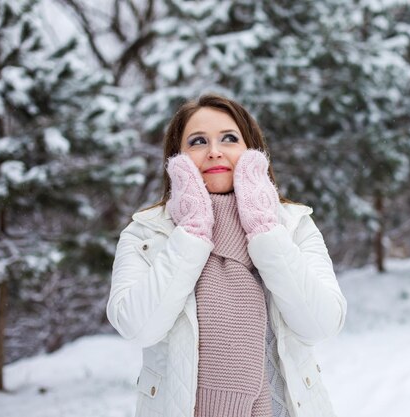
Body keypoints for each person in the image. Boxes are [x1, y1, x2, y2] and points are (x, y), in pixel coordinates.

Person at [106, 94, 347, 417]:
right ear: (177, 159)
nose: (214, 151)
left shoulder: (292, 225)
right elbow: (138, 327)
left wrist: (264, 229)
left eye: (229, 139)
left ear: (251, 151)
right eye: (198, 141)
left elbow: (320, 324)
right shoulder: (146, 234)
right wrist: (191, 233)